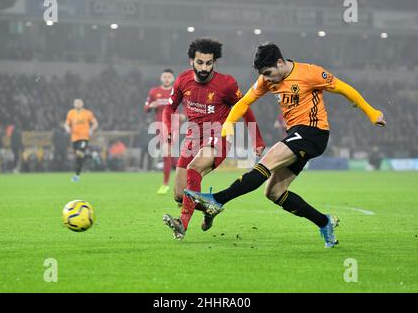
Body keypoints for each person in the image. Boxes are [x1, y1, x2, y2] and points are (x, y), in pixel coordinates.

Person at [185, 42, 386, 248]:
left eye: (270, 73)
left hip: (313, 132)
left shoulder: (311, 73)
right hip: (296, 134)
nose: (268, 78)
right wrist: (228, 125)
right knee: (274, 192)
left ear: (280, 62)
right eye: (264, 74)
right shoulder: (266, 79)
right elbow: (244, 102)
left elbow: (345, 89)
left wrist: (371, 113)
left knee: (266, 162)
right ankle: (324, 222)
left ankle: (218, 200)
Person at [162, 37, 265, 240]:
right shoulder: (183, 80)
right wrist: (167, 129)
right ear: (192, 61)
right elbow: (169, 108)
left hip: (218, 136)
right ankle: (210, 208)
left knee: (194, 169)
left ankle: (182, 224)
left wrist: (257, 140)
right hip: (193, 138)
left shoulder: (226, 84)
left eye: (209, 63)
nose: (204, 67)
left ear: (214, 63)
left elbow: (244, 107)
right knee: (179, 195)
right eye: (200, 62)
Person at [144, 69, 179, 194]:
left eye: (169, 77)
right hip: (159, 125)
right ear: (161, 78)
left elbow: (186, 104)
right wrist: (150, 106)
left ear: (173, 79)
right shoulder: (154, 92)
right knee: (170, 157)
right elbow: (146, 107)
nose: (167, 79)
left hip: (173, 125)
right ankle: (184, 176)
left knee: (166, 152)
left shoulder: (176, 90)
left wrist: (185, 115)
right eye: (165, 76)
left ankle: (165, 184)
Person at [64, 98, 98, 182]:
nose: (78, 104)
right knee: (78, 156)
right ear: (74, 104)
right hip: (74, 138)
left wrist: (91, 129)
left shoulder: (87, 113)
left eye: (79, 103)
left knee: (79, 153)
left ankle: (77, 176)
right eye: (76, 103)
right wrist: (67, 128)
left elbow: (95, 123)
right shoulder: (70, 113)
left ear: (82, 104)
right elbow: (66, 124)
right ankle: (91, 156)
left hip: (84, 137)